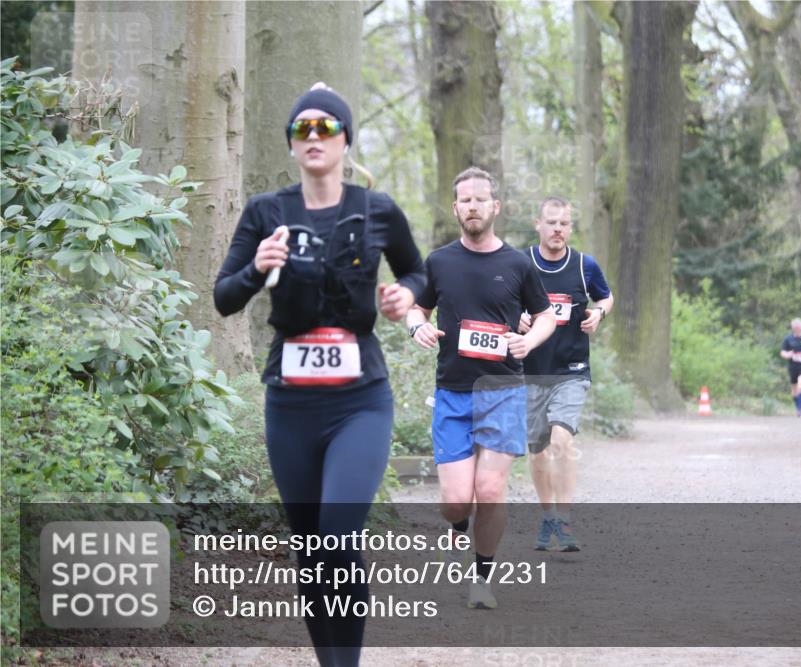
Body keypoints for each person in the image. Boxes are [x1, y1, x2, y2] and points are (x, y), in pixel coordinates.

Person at [213, 83, 426, 667]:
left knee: (336, 537)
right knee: (310, 553)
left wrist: (403, 296)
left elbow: (420, 273)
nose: (313, 136)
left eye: (325, 127)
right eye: (301, 128)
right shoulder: (266, 213)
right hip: (291, 405)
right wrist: (257, 269)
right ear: (289, 143)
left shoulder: (376, 209)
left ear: (345, 140)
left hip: (360, 401)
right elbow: (224, 297)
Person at [406, 167, 555, 610]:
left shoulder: (517, 264)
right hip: (452, 392)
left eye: (480, 199)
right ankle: (457, 526)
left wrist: (530, 339)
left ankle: (482, 580)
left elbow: (545, 315)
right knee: (456, 503)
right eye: (464, 200)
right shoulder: (438, 262)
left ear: (495, 207)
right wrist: (417, 327)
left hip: (503, 390)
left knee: (489, 490)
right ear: (456, 208)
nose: (472, 206)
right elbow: (417, 306)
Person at [518, 196, 613, 552]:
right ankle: (547, 517)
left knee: (561, 441)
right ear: (538, 224)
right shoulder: (520, 263)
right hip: (530, 372)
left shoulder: (585, 265)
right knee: (538, 450)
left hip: (572, 370)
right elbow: (502, 300)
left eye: (564, 223)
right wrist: (515, 316)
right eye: (552, 222)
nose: (558, 229)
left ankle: (565, 519)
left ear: (570, 227)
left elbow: (606, 297)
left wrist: (598, 314)